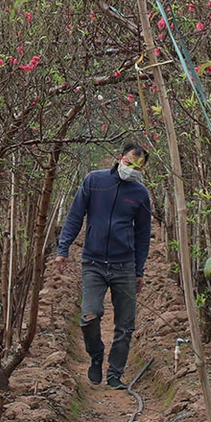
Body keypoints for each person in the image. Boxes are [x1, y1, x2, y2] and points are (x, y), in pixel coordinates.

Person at [56, 143, 152, 387]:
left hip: (125, 265)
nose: (132, 170)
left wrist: (139, 270)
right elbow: (75, 216)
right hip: (93, 262)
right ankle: (96, 355)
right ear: (119, 158)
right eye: (129, 164)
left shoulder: (140, 194)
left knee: (125, 326)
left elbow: (143, 234)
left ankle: (115, 374)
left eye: (138, 167)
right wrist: (63, 249)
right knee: (90, 315)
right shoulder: (94, 182)